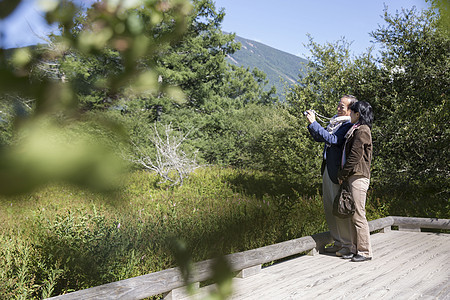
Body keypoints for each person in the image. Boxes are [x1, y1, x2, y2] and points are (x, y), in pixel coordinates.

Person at [305, 95, 358, 256]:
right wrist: (311, 125)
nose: (338, 108)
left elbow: (333, 139)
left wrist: (314, 123)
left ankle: (348, 245)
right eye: (339, 105)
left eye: (342, 106)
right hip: (327, 170)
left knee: (340, 208)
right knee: (329, 207)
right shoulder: (334, 123)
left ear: (350, 110)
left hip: (337, 173)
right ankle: (338, 242)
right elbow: (319, 137)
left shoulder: (347, 125)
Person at [338, 101, 374, 262]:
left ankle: (365, 251)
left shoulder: (363, 130)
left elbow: (355, 155)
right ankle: (354, 248)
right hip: (353, 176)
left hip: (358, 176)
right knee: (353, 214)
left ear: (357, 114)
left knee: (359, 214)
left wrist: (342, 173)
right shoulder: (356, 129)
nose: (349, 115)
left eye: (351, 112)